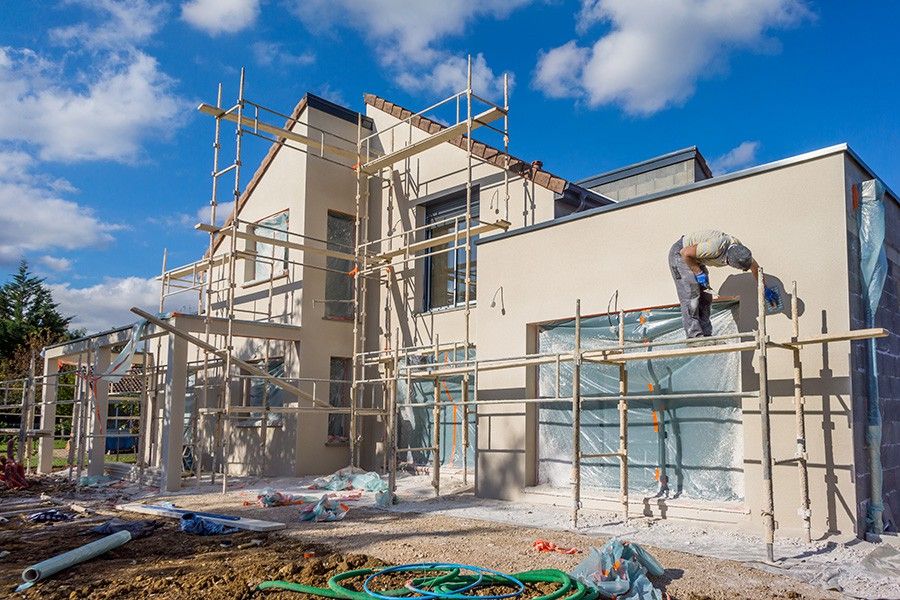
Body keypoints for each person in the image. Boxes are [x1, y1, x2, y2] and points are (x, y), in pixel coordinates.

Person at [668, 230, 779, 338]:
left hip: (696, 258)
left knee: (706, 297)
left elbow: (755, 269)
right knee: (691, 294)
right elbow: (685, 253)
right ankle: (694, 336)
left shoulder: (742, 253)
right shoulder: (715, 248)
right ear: (729, 261)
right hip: (680, 254)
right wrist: (698, 272)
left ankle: (705, 335)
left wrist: (764, 288)